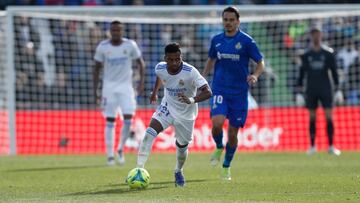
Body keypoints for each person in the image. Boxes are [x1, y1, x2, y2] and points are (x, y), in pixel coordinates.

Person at [136, 42, 212, 187]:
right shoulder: (160, 67)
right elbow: (161, 77)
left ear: (180, 57)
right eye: (171, 60)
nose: (175, 62)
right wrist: (155, 92)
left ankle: (178, 170)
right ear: (165, 59)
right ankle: (139, 170)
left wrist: (192, 99)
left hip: (186, 114)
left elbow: (208, 92)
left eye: (177, 59)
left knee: (182, 147)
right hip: (167, 107)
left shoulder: (190, 72)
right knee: (149, 133)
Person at [202, 6, 264, 181]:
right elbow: (211, 59)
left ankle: (226, 166)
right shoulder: (216, 40)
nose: (228, 23)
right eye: (225, 20)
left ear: (238, 21)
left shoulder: (246, 41)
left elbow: (260, 62)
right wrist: (202, 78)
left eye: (231, 20)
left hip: (239, 93)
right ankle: (218, 146)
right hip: (220, 88)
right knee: (217, 123)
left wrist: (255, 75)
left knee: (233, 134)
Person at [93, 20, 145, 166]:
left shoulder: (130, 45)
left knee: (128, 118)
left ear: (122, 31)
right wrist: (95, 90)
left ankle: (120, 149)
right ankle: (110, 155)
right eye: (113, 30)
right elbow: (96, 68)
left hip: (126, 87)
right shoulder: (103, 47)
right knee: (110, 120)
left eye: (118, 30)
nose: (115, 32)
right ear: (110, 31)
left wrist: (141, 83)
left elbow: (140, 63)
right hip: (108, 88)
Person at [296, 26, 343, 156]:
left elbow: (334, 73)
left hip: (326, 88)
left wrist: (338, 89)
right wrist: (299, 92)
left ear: (321, 35)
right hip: (311, 89)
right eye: (313, 34)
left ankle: (331, 146)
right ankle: (312, 146)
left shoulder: (328, 53)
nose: (315, 36)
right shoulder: (305, 55)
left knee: (329, 116)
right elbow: (301, 74)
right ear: (310, 36)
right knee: (312, 117)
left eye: (317, 33)